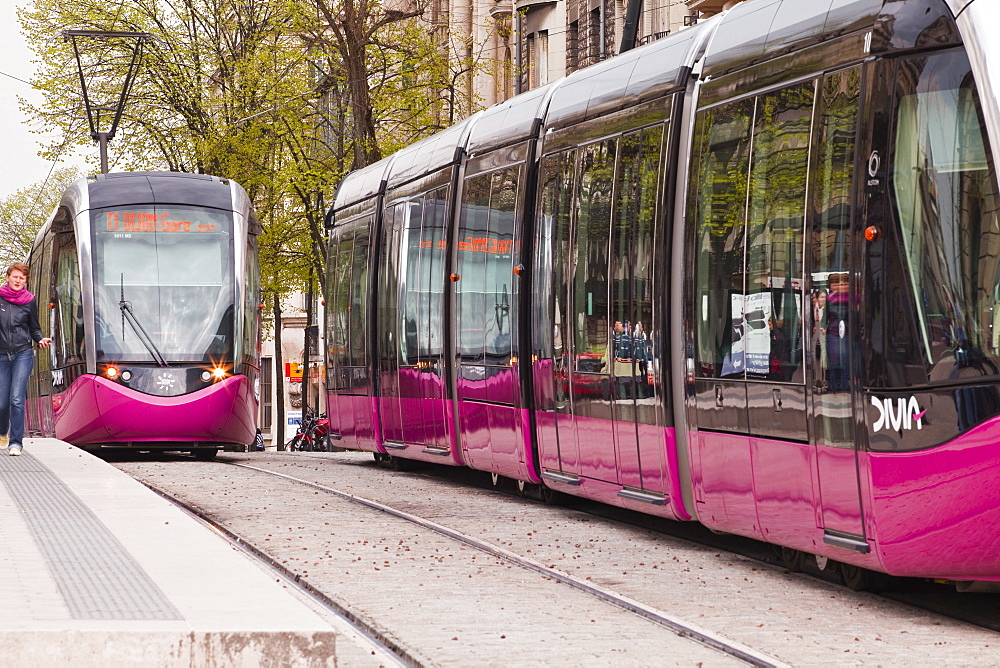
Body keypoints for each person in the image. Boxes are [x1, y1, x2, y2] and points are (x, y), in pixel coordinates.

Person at [0, 263, 52, 456]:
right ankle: (2, 432)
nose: (18, 280)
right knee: (1, 402)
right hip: (1, 355)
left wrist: (40, 339)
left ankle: (16, 443)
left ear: (26, 281)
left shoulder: (29, 301)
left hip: (23, 353)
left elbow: (34, 327)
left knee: (16, 398)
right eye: (15, 277)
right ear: (8, 277)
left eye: (22, 278)